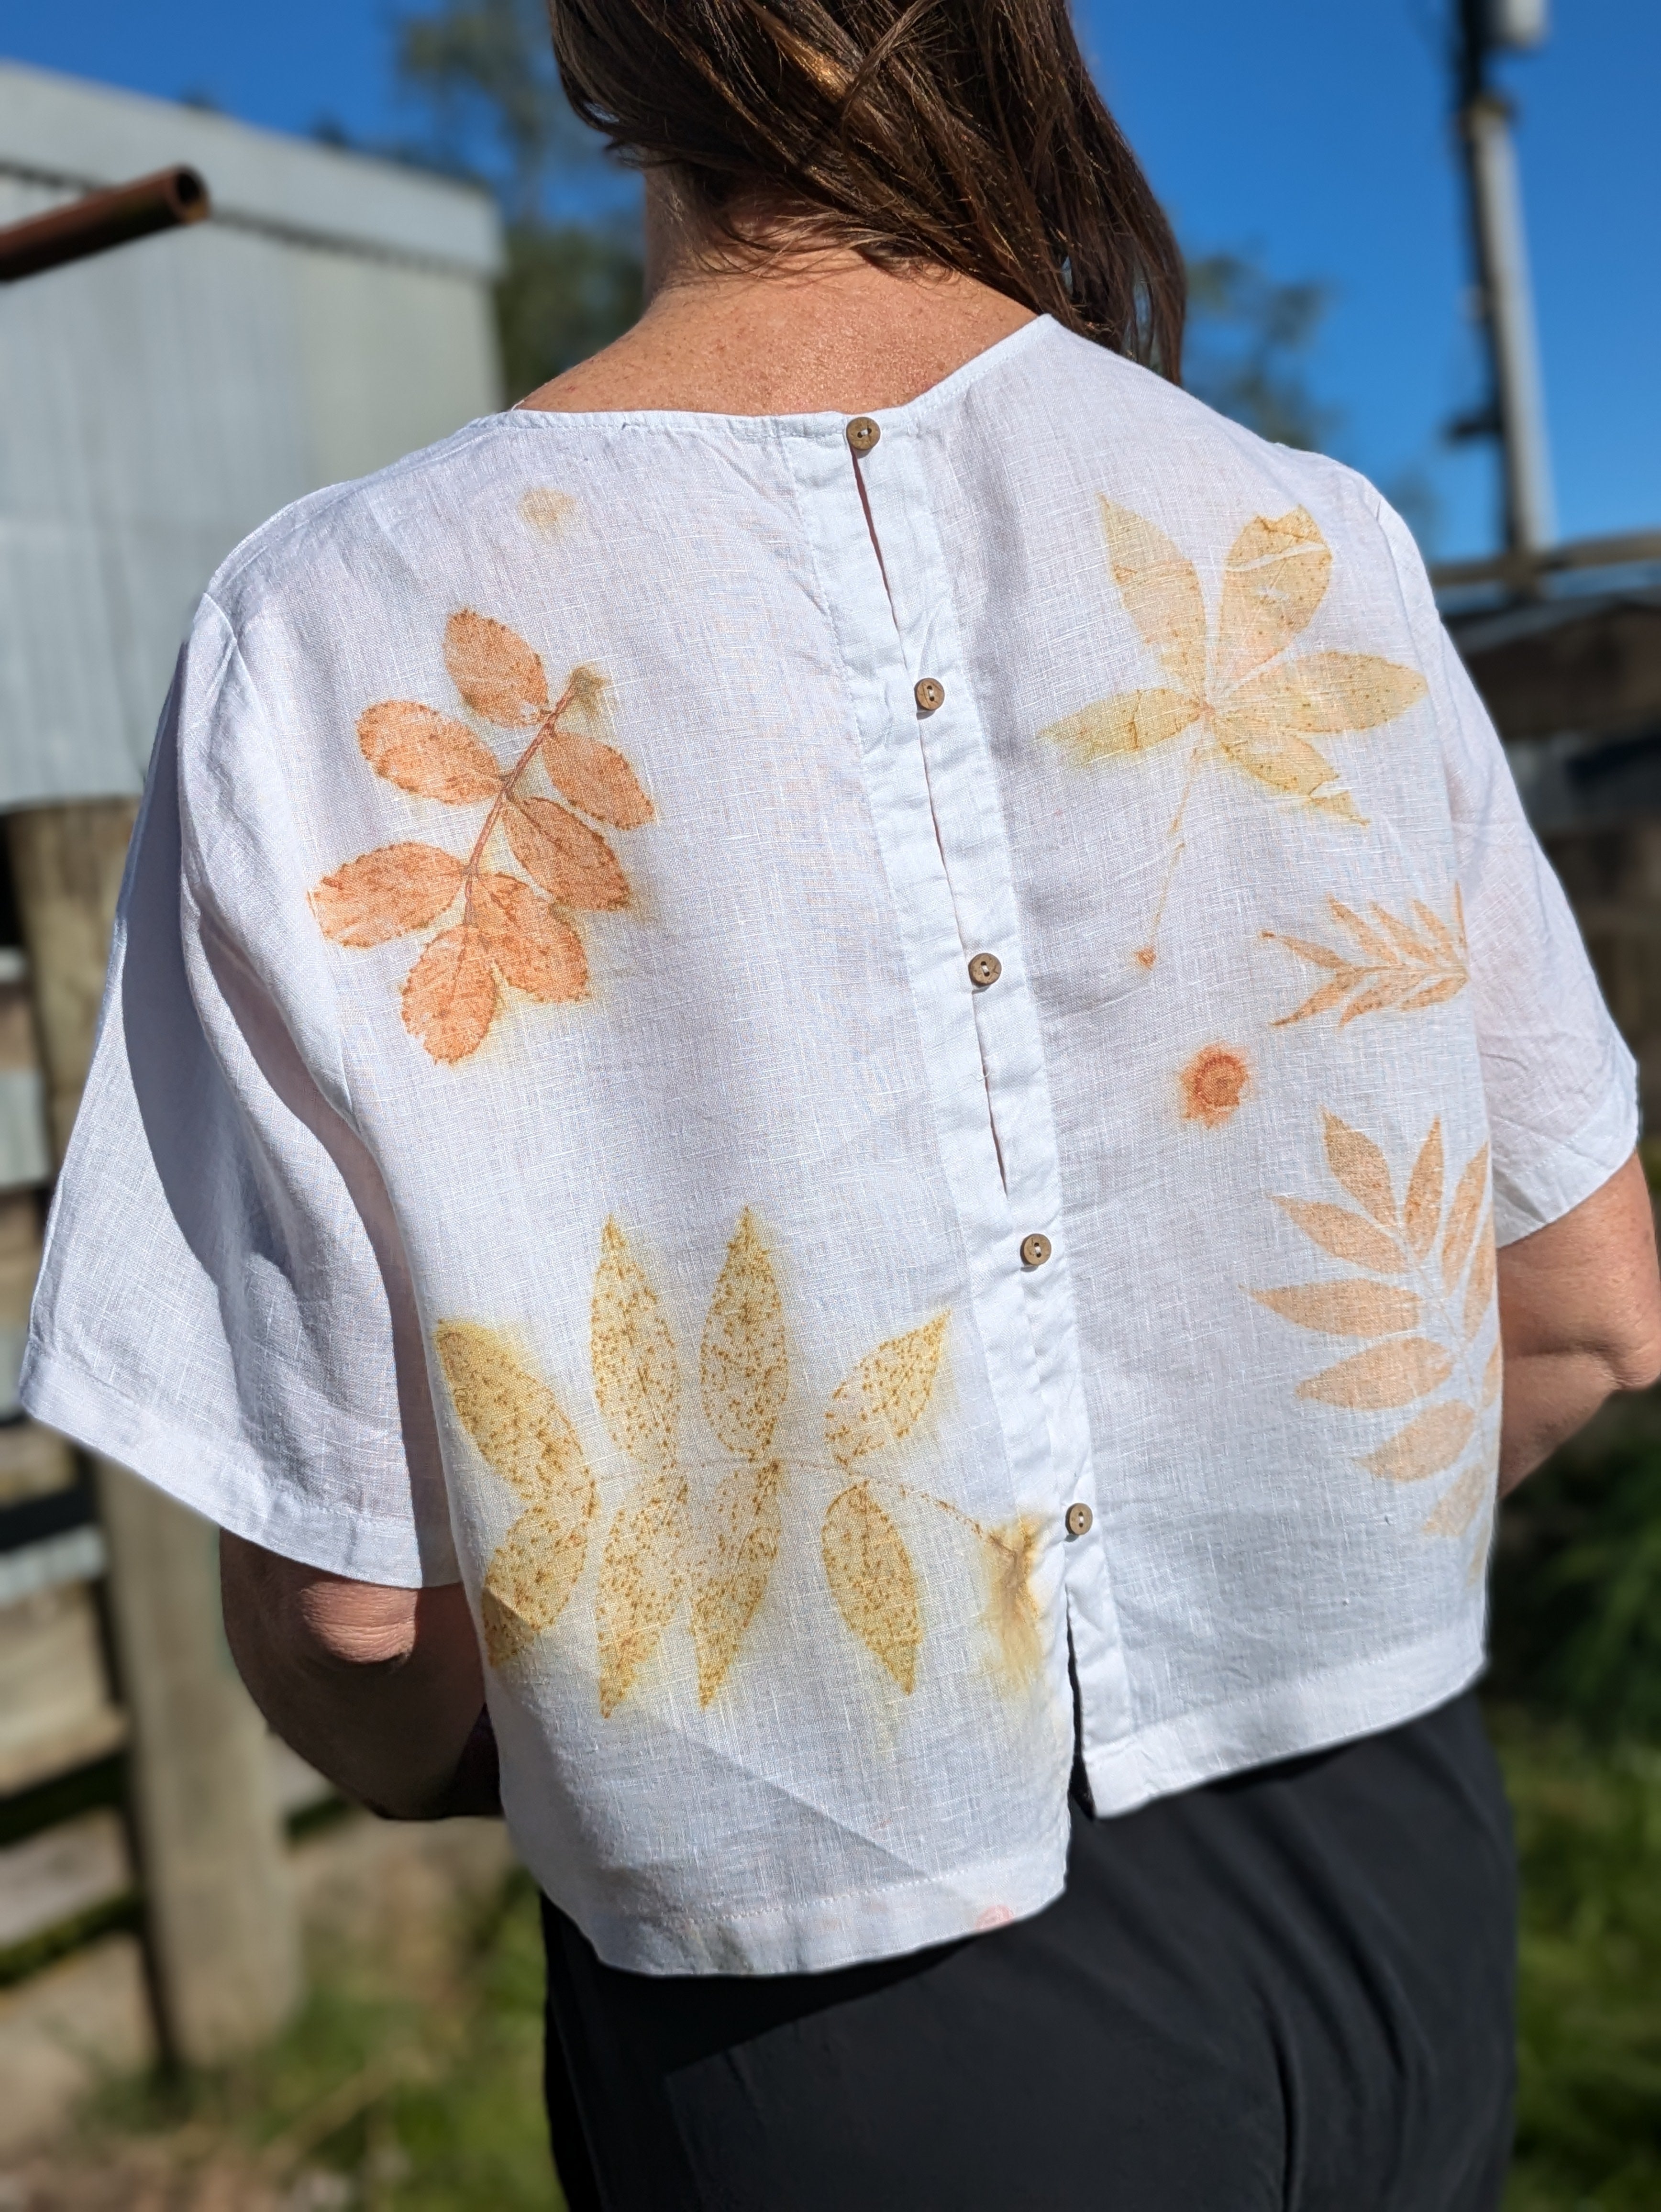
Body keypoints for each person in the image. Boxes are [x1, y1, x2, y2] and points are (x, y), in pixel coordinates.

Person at [24, 3, 1661, 2205]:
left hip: (824, 2023)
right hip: (1389, 1903)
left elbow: (352, 1611)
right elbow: (1581, 1307)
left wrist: (623, 1751)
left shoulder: (334, 634)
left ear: (607, 40)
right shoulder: (1306, 543)